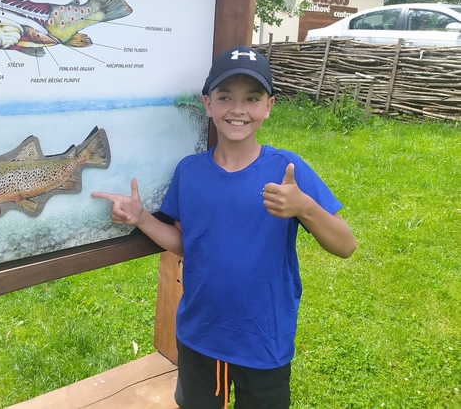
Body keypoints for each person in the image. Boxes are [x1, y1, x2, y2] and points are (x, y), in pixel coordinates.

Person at [92, 46, 356, 409]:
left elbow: (345, 245)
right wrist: (141, 219)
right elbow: (187, 243)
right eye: (225, 97)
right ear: (208, 103)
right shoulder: (190, 171)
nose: (238, 109)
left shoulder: (287, 170)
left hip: (264, 340)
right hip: (201, 335)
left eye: (252, 98)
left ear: (269, 106)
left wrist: (305, 207)